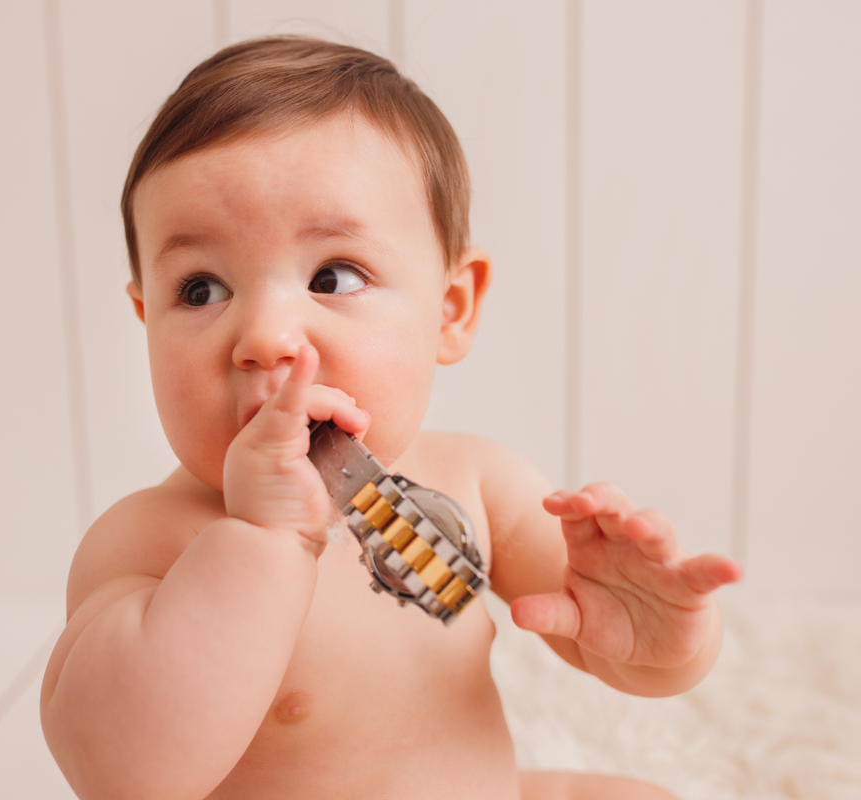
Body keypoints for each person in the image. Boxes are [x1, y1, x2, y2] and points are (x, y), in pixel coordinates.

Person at [40, 36, 742, 800]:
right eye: (202, 290)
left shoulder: (477, 484)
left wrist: (660, 641)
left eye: (332, 277)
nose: (268, 336)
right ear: (146, 320)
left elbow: (600, 639)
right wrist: (263, 539)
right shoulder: (145, 543)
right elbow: (125, 773)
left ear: (450, 308)